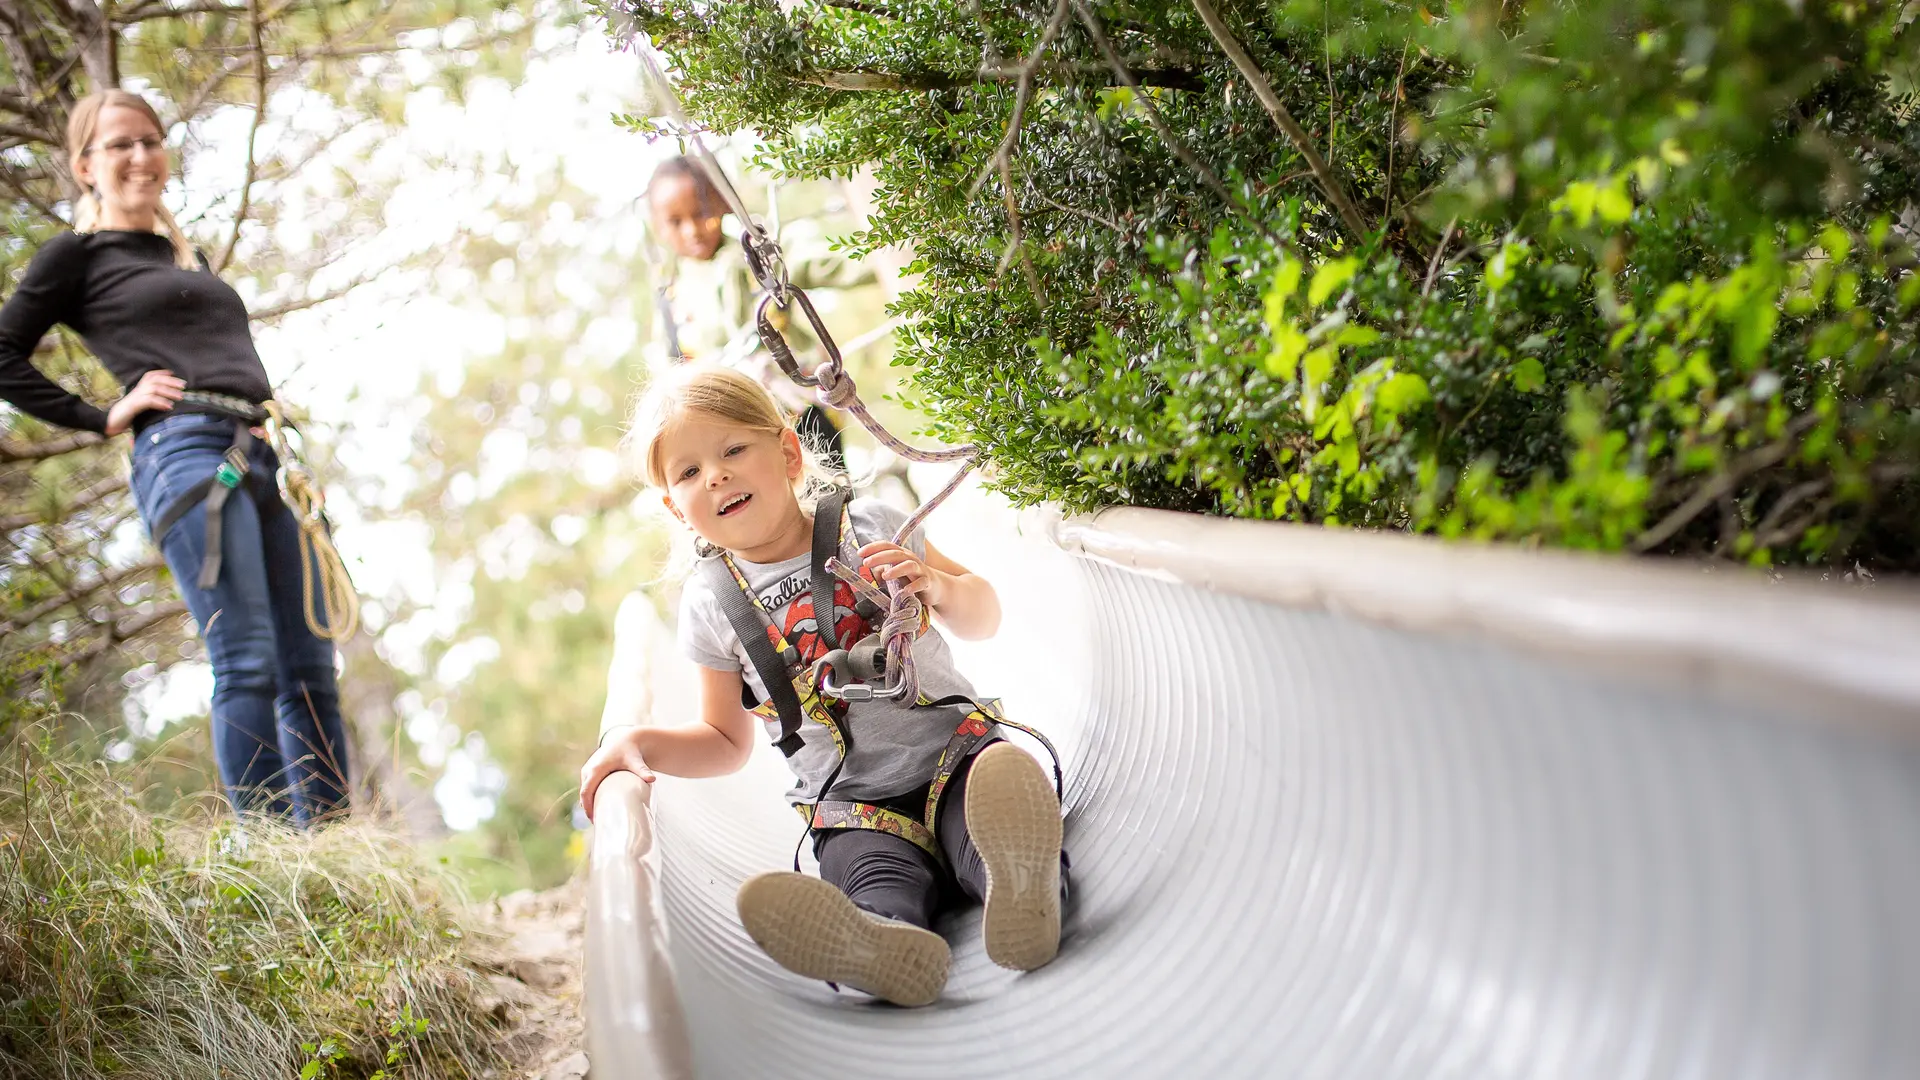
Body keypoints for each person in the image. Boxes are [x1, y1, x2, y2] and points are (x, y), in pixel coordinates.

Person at [579, 365, 1066, 1007]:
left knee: (990, 815)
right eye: (689, 473)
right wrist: (641, 743)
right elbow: (725, 739)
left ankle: (1020, 883)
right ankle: (880, 944)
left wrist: (936, 586)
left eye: (731, 451)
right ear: (676, 507)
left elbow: (985, 614)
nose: (716, 475)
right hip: (854, 807)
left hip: (957, 760)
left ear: (786, 452)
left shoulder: (871, 525)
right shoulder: (711, 606)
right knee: (871, 879)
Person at [0, 90, 349, 824]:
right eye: (120, 144)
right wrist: (102, 416)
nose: (140, 156)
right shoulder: (76, 255)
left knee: (311, 666)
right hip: (186, 453)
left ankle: (336, 854)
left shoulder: (178, 259)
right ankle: (272, 861)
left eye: (151, 140)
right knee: (248, 660)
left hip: (261, 456)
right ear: (85, 164)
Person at [645, 155, 849, 471]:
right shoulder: (672, 303)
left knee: (829, 509)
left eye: (701, 213)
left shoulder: (757, 258)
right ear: (658, 226)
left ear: (723, 204)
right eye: (675, 221)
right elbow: (668, 380)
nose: (692, 230)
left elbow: (829, 264)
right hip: (731, 444)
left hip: (799, 418)